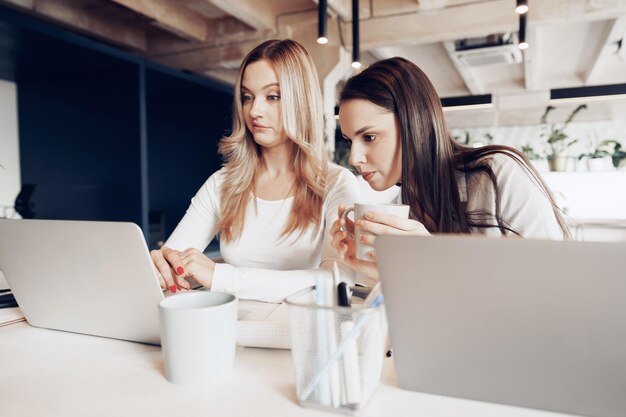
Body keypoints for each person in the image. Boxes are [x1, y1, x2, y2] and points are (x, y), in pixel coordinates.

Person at [151, 39, 359, 302]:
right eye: (247, 97)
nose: (254, 111)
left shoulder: (337, 183)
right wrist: (162, 266)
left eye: (272, 97)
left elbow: (337, 279)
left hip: (302, 333)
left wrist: (221, 277)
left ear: (301, 101)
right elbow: (173, 260)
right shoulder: (222, 183)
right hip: (231, 330)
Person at [331, 57, 570, 280]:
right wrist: (377, 272)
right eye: (350, 140)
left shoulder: (499, 174)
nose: (354, 158)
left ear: (417, 125)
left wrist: (439, 259)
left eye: (370, 137)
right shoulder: (402, 208)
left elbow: (554, 282)